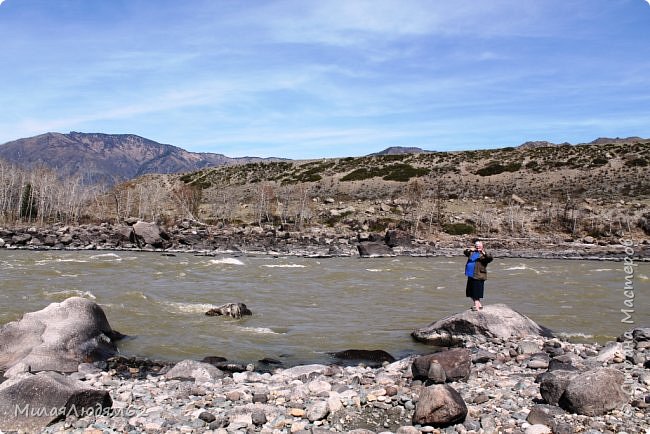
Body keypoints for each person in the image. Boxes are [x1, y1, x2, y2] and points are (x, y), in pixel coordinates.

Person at [464, 240, 493, 311]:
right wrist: (469, 249)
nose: (478, 248)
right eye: (476, 247)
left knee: (476, 293)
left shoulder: (484, 254)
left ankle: (476, 307)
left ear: (482, 247)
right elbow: (465, 252)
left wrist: (483, 252)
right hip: (471, 275)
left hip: (478, 276)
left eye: (479, 247)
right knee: (470, 292)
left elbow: (490, 258)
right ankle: (479, 305)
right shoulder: (472, 253)